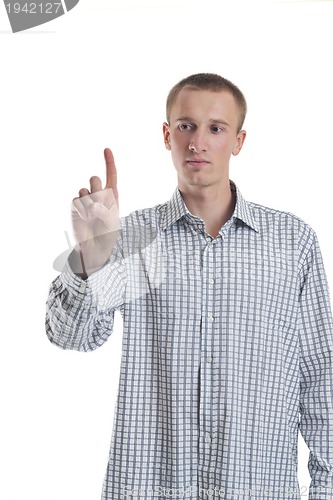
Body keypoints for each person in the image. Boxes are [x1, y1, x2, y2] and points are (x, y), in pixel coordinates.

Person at [45, 73, 333, 499]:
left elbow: (320, 376)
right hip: (150, 486)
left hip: (256, 487)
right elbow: (71, 335)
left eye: (216, 128)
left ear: (238, 141)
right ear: (167, 135)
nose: (198, 141)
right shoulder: (132, 238)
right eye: (186, 126)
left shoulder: (292, 243)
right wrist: (90, 258)